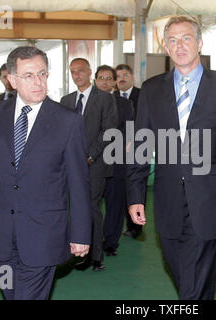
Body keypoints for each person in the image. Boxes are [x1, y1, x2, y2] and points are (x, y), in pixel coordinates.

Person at [0, 46, 92, 300]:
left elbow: (79, 183)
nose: (38, 82)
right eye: (29, 75)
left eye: (42, 74)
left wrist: (81, 234)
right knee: (11, 294)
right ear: (12, 79)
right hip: (0, 236)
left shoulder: (68, 121)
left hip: (44, 236)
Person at [127, 15, 216, 300]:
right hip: (167, 203)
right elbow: (141, 145)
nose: (179, 45)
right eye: (172, 40)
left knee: (193, 286)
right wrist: (135, 194)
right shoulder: (152, 90)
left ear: (200, 43)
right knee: (181, 272)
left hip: (210, 200)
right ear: (166, 48)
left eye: (186, 38)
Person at [60, 58, 118, 271]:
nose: (77, 75)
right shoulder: (65, 101)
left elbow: (109, 131)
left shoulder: (104, 99)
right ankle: (76, 251)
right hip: (70, 164)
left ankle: (96, 256)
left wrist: (90, 156)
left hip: (96, 164)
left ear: (89, 71)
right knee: (74, 206)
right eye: (73, 72)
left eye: (81, 71)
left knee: (91, 207)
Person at [95, 65, 134, 256]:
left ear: (114, 82)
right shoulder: (86, 103)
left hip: (116, 161)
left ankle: (111, 242)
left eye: (109, 78)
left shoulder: (125, 105)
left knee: (115, 205)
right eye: (101, 77)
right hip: (91, 163)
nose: (105, 81)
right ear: (95, 80)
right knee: (91, 205)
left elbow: (128, 133)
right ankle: (91, 240)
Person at [114, 64, 143, 239]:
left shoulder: (142, 95)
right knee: (120, 187)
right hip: (117, 149)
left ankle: (135, 225)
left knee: (136, 184)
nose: (122, 78)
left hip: (139, 145)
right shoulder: (112, 97)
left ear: (132, 76)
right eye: (118, 76)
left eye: (125, 74)